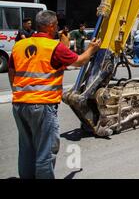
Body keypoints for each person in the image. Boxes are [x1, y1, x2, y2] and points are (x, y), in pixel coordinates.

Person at [8, 10, 101, 179]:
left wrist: (18, 92)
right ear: (51, 26)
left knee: (27, 149)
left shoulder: (18, 46)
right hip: (42, 106)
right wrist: (91, 49)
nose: (58, 27)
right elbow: (79, 61)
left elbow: (12, 72)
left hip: (19, 105)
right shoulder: (54, 47)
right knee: (45, 151)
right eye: (57, 25)